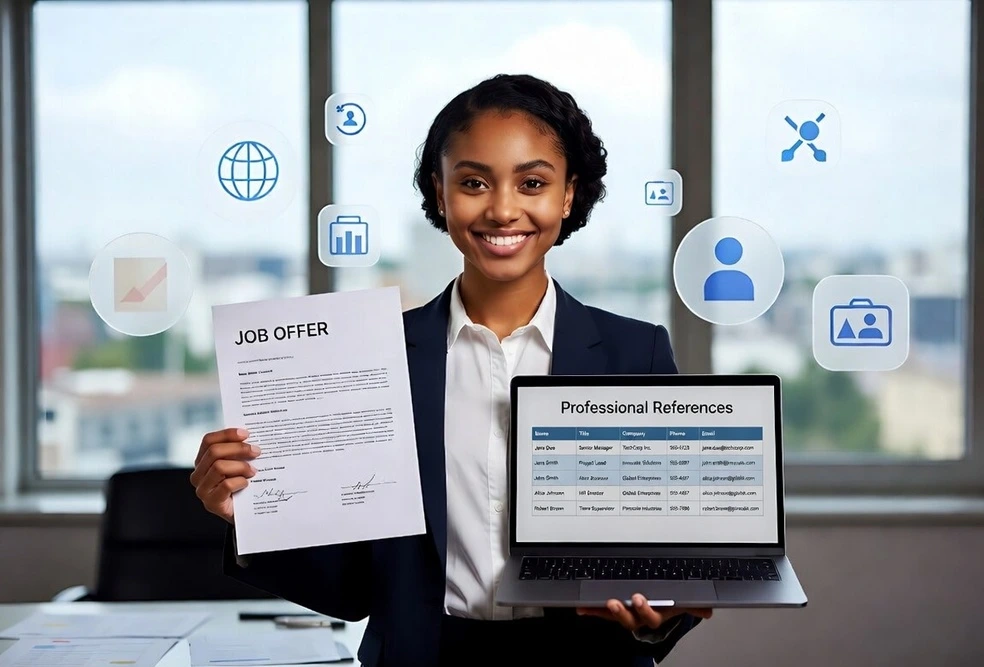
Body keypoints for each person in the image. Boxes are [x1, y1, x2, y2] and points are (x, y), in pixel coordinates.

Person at [190, 73, 711, 667]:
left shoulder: (633, 354)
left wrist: (659, 616)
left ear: (568, 195)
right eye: (473, 182)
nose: (503, 209)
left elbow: (672, 559)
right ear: (439, 194)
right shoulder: (373, 357)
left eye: (533, 183)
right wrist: (249, 514)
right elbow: (349, 588)